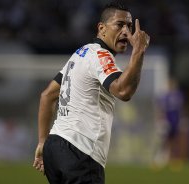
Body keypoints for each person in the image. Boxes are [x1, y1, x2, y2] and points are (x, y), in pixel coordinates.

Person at [33, 2, 150, 184]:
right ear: (101, 28)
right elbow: (123, 91)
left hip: (54, 148)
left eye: (129, 26)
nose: (127, 32)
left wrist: (42, 142)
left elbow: (47, 96)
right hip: (79, 151)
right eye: (119, 25)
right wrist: (139, 51)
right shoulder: (101, 56)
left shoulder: (81, 53)